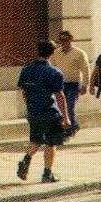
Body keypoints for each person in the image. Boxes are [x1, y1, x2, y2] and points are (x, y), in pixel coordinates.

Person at [14, 41, 69, 184]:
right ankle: (47, 174)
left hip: (33, 111)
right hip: (50, 112)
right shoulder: (54, 72)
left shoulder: (26, 69)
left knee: (36, 141)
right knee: (51, 143)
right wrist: (66, 117)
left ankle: (26, 159)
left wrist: (30, 105)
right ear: (52, 53)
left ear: (37, 51)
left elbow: (24, 92)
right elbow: (60, 96)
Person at [49, 31, 90, 132]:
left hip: (73, 84)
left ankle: (71, 128)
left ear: (71, 39)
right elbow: (52, 68)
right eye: (61, 40)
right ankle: (72, 125)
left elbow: (85, 70)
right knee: (60, 107)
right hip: (60, 85)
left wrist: (85, 85)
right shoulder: (55, 53)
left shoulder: (79, 53)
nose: (64, 42)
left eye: (66, 39)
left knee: (70, 106)